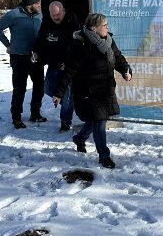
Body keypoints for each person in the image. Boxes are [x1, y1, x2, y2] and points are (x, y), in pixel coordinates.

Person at [53, 13, 132, 169]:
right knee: (99, 121)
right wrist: (59, 92)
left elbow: (118, 58)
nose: (107, 27)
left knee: (95, 120)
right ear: (94, 28)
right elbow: (69, 71)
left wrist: (125, 70)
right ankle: (104, 156)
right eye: (104, 25)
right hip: (87, 92)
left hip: (105, 89)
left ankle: (79, 138)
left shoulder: (108, 40)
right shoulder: (80, 45)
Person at [0, 0, 45, 129]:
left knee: (39, 87)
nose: (39, 5)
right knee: (19, 89)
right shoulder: (14, 15)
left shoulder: (40, 14)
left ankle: (35, 113)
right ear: (29, 5)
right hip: (19, 58)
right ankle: (16, 117)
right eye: (37, 3)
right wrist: (8, 45)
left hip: (36, 57)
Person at [33, 1, 80, 132]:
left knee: (67, 96)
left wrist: (70, 62)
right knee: (48, 89)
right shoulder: (47, 22)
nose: (55, 17)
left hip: (68, 67)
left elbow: (78, 45)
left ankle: (65, 122)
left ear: (63, 11)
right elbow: (40, 39)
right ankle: (68, 102)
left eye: (58, 14)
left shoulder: (72, 23)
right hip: (53, 64)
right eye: (53, 15)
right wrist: (36, 51)